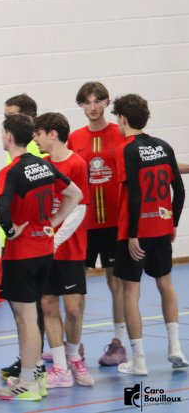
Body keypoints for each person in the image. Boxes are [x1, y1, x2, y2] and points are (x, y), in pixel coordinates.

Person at [0, 114, 82, 401]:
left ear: (9, 137)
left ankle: (29, 381)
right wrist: (52, 222)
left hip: (21, 254)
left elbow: (2, 210)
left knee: (26, 319)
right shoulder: (44, 165)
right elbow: (75, 194)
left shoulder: (10, 172)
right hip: (44, 250)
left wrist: (10, 231)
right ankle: (32, 377)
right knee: (30, 317)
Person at [111, 94, 187, 375]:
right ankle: (176, 347)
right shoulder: (164, 146)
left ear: (122, 119)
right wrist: (172, 222)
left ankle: (139, 361)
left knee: (130, 293)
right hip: (162, 229)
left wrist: (132, 234)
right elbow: (180, 190)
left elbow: (135, 193)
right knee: (166, 284)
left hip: (136, 232)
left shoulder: (126, 150)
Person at [68, 82, 128, 366]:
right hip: (84, 224)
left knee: (116, 283)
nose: (92, 107)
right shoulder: (74, 138)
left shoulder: (120, 133)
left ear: (106, 103)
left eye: (97, 101)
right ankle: (74, 347)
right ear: (81, 105)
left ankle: (118, 343)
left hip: (115, 223)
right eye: (87, 102)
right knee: (77, 287)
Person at [33, 113, 94, 388]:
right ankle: (60, 368)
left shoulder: (77, 164)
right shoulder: (41, 166)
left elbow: (80, 208)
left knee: (73, 308)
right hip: (45, 249)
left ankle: (74, 358)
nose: (35, 139)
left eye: (38, 134)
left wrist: (56, 240)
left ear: (53, 134)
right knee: (47, 303)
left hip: (70, 248)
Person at [0, 94, 47, 381]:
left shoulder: (37, 151)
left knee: (32, 311)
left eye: (10, 116)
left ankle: (34, 366)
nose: (5, 122)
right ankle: (29, 361)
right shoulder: (16, 152)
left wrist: (50, 226)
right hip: (16, 242)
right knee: (24, 311)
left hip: (30, 244)